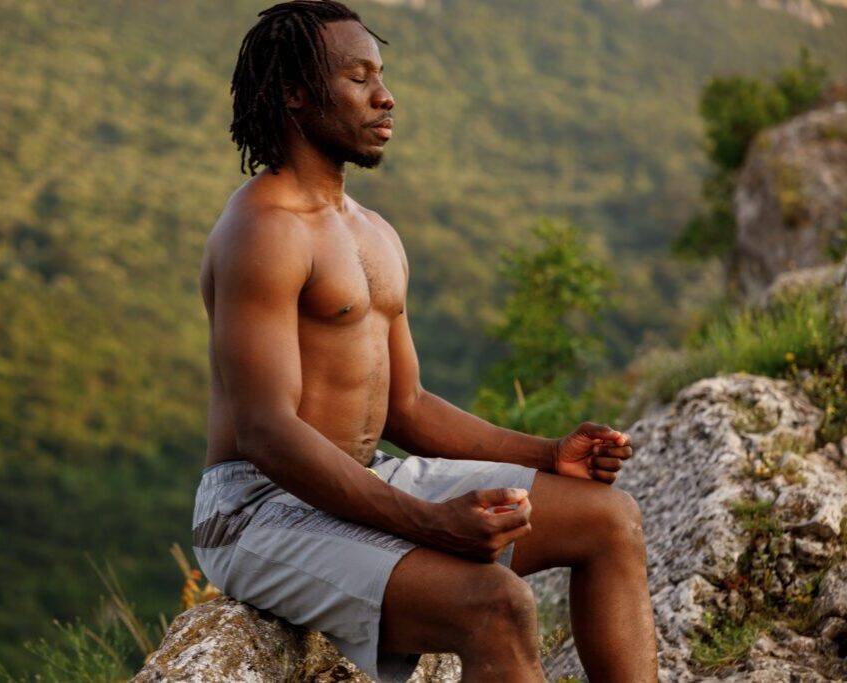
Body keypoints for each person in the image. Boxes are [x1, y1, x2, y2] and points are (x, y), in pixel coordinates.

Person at [192, 2, 658, 681]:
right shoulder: (263, 230)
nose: (386, 97)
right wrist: (430, 522)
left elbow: (405, 405)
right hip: (257, 508)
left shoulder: (373, 232)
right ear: (295, 93)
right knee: (496, 604)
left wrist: (550, 455)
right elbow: (266, 431)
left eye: (381, 76)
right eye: (358, 79)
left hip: (365, 473)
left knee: (609, 519)